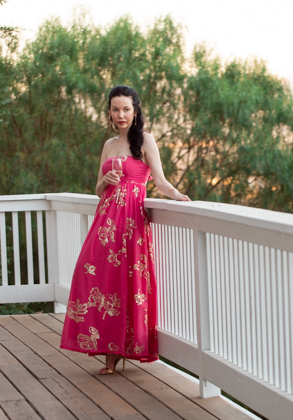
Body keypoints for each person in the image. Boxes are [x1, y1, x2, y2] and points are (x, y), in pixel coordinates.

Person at [60, 85, 190, 374]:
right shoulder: (108, 145)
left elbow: (160, 180)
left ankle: (117, 353)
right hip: (105, 221)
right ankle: (106, 346)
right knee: (91, 275)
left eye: (126, 109)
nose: (121, 114)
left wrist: (178, 196)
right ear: (109, 110)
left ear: (135, 110)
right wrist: (105, 179)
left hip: (131, 222)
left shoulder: (145, 139)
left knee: (125, 283)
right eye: (115, 109)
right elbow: (97, 190)